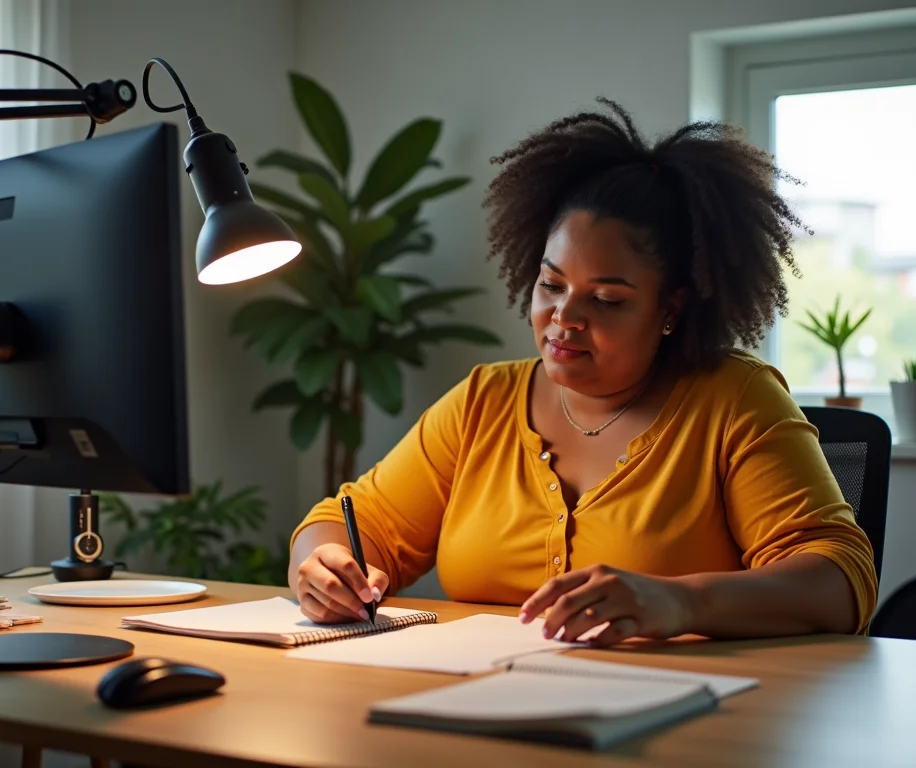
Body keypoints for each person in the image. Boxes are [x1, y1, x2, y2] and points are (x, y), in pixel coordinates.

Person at [287, 98, 877, 646]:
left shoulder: (734, 399)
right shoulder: (482, 402)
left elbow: (839, 579)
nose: (563, 318)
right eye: (551, 284)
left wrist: (680, 603)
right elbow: (349, 523)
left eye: (608, 300)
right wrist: (324, 565)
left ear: (670, 309)